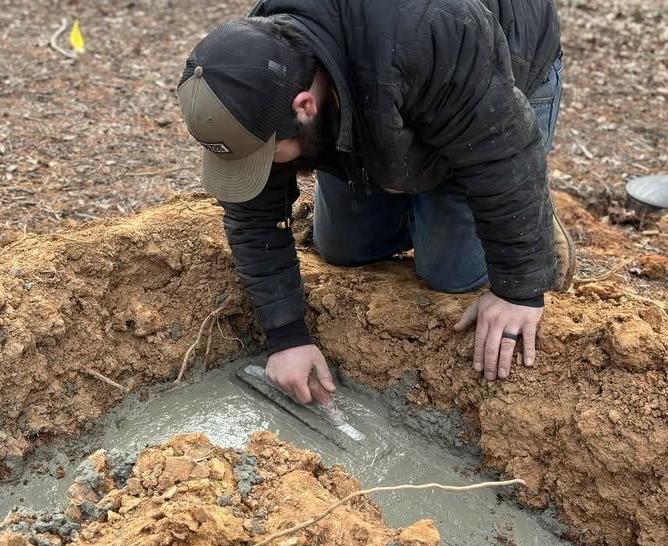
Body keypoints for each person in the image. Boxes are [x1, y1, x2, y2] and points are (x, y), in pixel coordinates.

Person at [177, 0, 573, 407]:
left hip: (495, 81)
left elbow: (501, 152)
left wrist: (520, 289)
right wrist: (287, 337)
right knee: (343, 250)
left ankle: (525, 209)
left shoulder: (433, 30)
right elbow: (252, 209)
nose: (258, 166)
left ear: (304, 107)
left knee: (450, 274)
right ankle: (410, 183)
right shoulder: (260, 68)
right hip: (378, 88)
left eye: (263, 153)